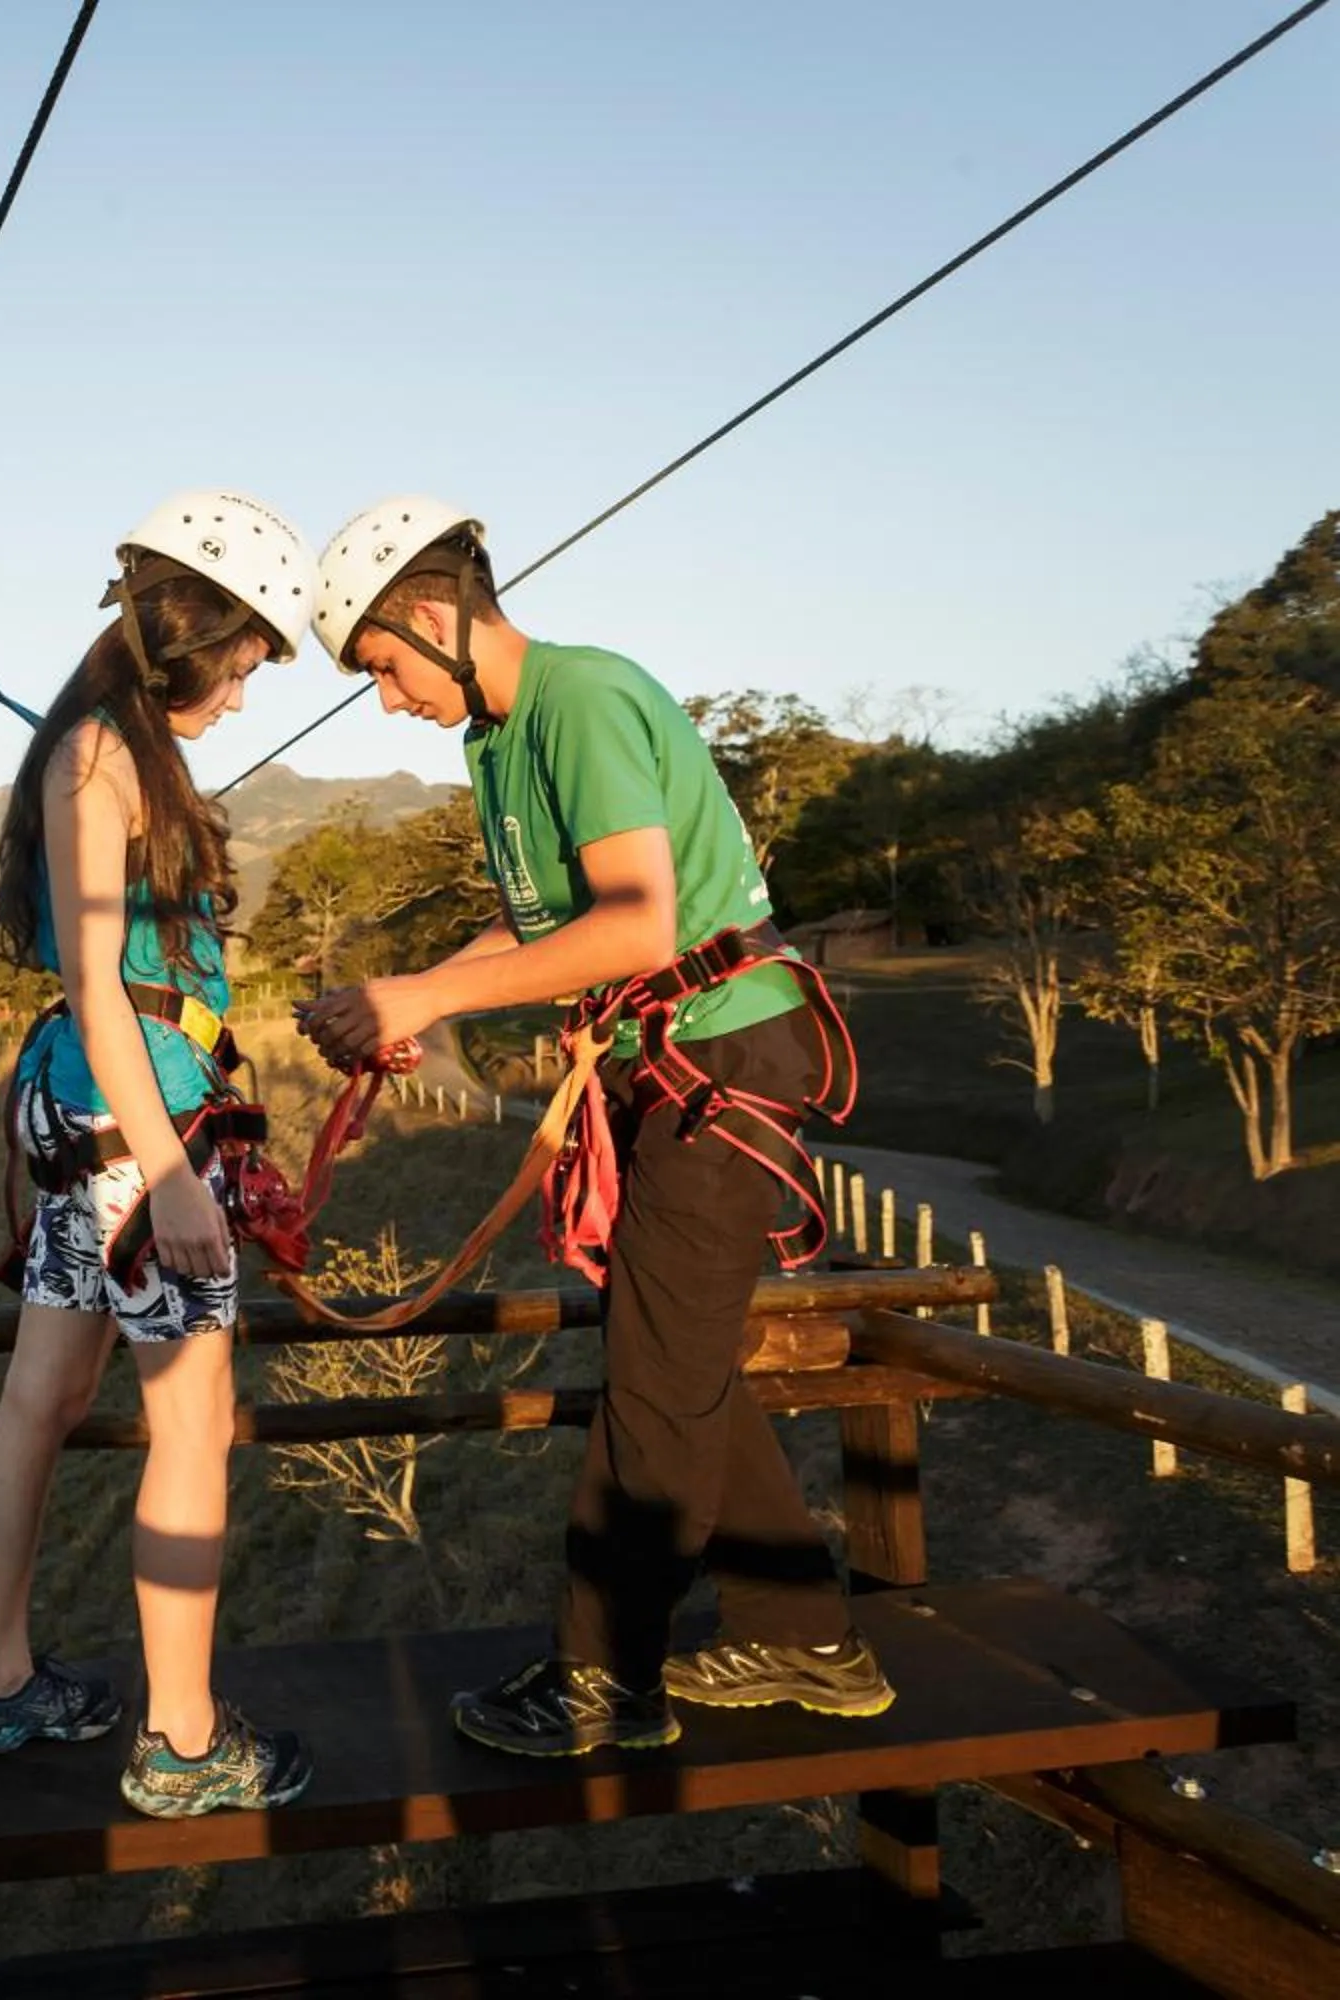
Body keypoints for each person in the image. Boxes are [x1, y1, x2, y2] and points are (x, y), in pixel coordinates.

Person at [296, 495, 889, 1758]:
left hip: (719, 1055)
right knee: (675, 1357)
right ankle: (805, 1633)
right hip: (667, 1062)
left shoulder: (581, 698)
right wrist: (410, 993)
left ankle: (603, 1679)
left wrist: (428, 997)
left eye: (386, 667)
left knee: (655, 1376)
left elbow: (635, 923)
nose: (389, 701)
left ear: (436, 616)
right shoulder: (500, 737)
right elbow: (542, 919)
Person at [0, 489, 317, 1818]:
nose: (247, 688)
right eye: (245, 658)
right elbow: (103, 986)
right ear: (194, 632)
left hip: (88, 1119)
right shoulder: (103, 758)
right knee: (193, 1423)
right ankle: (183, 1740)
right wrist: (168, 1171)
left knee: (42, 1397)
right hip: (136, 1126)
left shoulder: (106, 748)